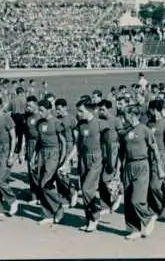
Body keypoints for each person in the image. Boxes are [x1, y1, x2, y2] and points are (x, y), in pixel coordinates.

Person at [121, 104, 160, 240]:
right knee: (128, 199)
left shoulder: (144, 129)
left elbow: (154, 148)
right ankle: (134, 229)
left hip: (142, 165)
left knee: (136, 199)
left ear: (133, 115)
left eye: (125, 115)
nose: (123, 117)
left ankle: (149, 216)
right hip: (128, 166)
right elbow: (122, 152)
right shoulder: (125, 131)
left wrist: (159, 169)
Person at [75, 99, 110, 232]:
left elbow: (108, 145)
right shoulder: (81, 125)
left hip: (96, 159)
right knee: (85, 191)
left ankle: (95, 216)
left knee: (86, 189)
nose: (78, 114)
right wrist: (69, 160)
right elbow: (77, 145)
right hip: (83, 159)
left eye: (81, 111)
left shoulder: (101, 124)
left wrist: (110, 163)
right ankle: (89, 219)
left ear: (89, 111)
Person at [35, 99, 66, 225]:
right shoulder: (39, 123)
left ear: (49, 110)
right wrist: (33, 157)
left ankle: (58, 207)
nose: (40, 113)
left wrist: (62, 160)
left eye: (42, 110)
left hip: (53, 154)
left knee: (45, 183)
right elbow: (39, 141)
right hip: (42, 154)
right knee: (40, 184)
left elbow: (63, 142)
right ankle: (47, 214)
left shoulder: (56, 123)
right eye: (39, 110)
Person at [146, 100, 165, 218]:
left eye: (150, 110)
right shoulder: (148, 124)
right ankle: (155, 208)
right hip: (148, 155)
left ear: (154, 110)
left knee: (155, 185)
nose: (148, 112)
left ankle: (163, 202)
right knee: (149, 184)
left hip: (161, 155)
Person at [97, 99, 124, 215]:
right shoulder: (98, 121)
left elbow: (122, 136)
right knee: (100, 179)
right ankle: (105, 206)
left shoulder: (116, 120)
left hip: (113, 151)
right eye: (100, 109)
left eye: (103, 109)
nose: (101, 111)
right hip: (101, 150)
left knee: (109, 177)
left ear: (109, 109)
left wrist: (120, 153)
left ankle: (118, 195)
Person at [54, 98, 79, 208]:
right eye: (56, 109)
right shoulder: (57, 119)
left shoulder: (72, 119)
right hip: (58, 147)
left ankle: (72, 192)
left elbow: (76, 138)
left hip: (69, 147)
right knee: (57, 173)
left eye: (59, 109)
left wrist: (74, 155)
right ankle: (63, 198)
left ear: (65, 107)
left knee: (63, 173)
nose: (57, 111)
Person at [23, 96, 42, 205]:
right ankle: (34, 196)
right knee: (30, 171)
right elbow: (26, 134)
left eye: (30, 105)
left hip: (38, 144)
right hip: (30, 144)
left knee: (38, 171)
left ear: (36, 104)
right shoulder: (27, 117)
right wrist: (24, 149)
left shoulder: (39, 116)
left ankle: (41, 195)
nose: (28, 107)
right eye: (27, 105)